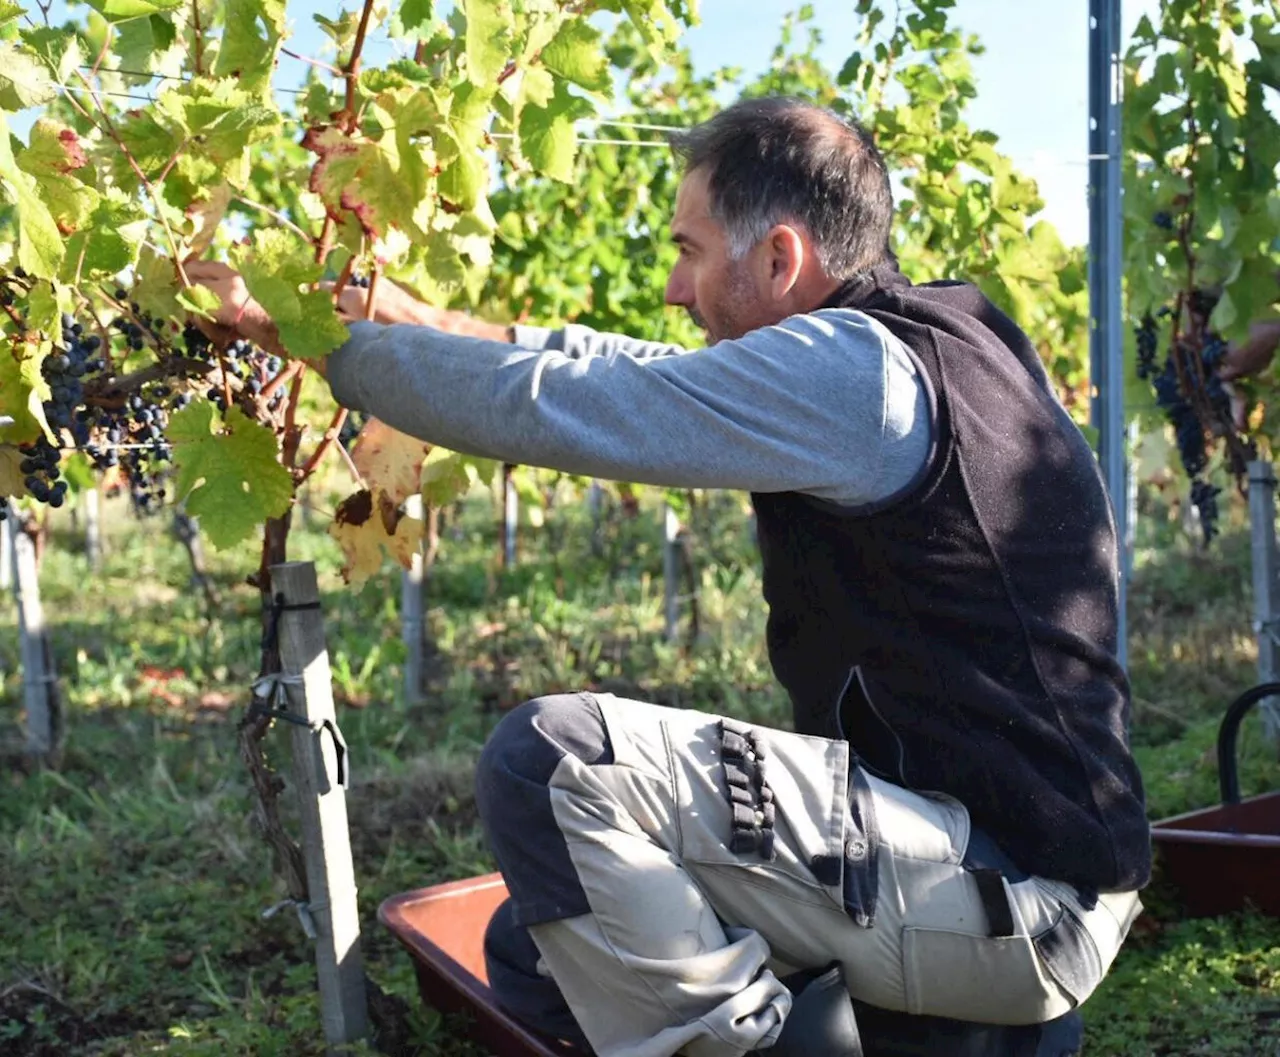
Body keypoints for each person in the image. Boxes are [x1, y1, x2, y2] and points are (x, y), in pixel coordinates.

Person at [189, 96, 1150, 1057]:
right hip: (990, 863)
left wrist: (309, 339)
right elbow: (609, 362)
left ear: (779, 259)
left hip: (1021, 906)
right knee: (536, 943)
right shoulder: (915, 345)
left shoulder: (854, 377)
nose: (673, 288)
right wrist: (409, 317)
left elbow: (576, 402)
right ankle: (909, 1029)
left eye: (690, 250)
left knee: (552, 762)